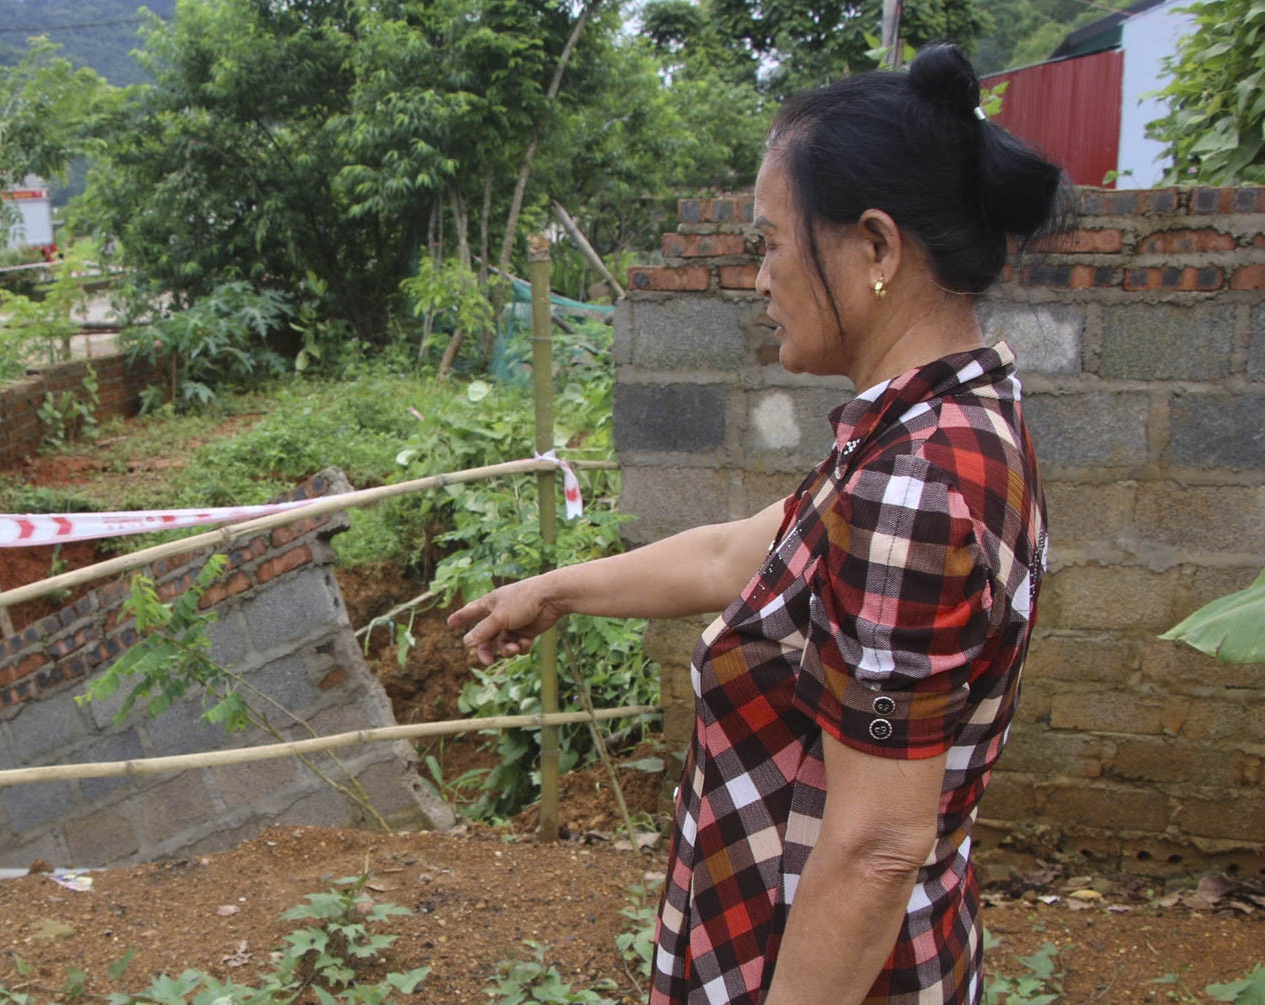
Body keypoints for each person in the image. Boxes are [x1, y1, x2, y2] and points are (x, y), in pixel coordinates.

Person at [448, 43, 1065, 1005]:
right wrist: (555, 590)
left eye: (771, 242)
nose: (761, 276)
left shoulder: (915, 478)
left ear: (877, 247)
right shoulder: (943, 424)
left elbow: (872, 847)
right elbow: (745, 548)